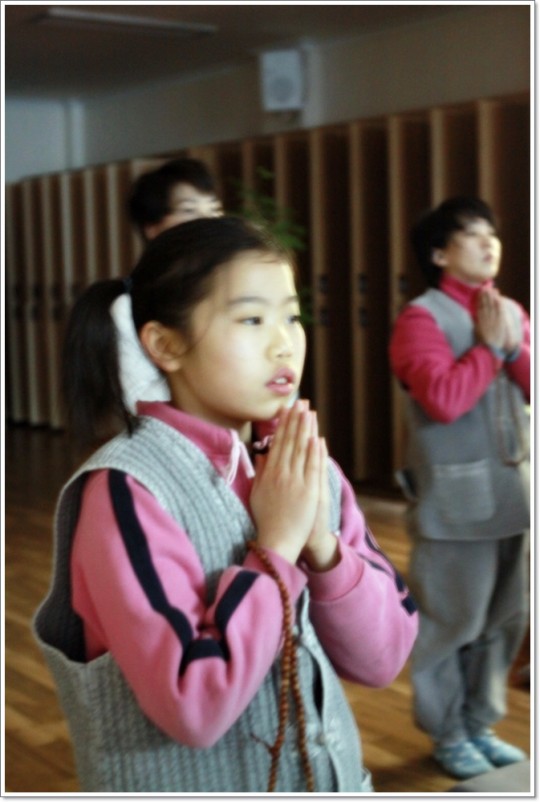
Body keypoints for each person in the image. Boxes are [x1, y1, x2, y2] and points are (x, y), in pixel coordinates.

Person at [34, 216, 418, 793]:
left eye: (292, 316)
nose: (284, 342)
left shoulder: (305, 467)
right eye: (252, 319)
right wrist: (278, 547)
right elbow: (192, 705)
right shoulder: (126, 490)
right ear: (166, 345)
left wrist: (321, 546)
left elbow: (382, 659)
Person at [389, 197, 530, 781]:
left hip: (514, 496)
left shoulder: (510, 311)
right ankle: (447, 733)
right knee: (452, 623)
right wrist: (489, 348)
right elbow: (443, 400)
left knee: (504, 622)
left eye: (491, 233)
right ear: (440, 253)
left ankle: (479, 723)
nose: (488, 242)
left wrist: (514, 345)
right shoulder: (420, 319)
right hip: (455, 504)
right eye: (472, 234)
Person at [112, 157, 225, 420]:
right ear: (152, 228)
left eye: (214, 208)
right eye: (189, 210)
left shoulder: (232, 289)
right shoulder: (128, 306)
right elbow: (140, 398)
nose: (208, 220)